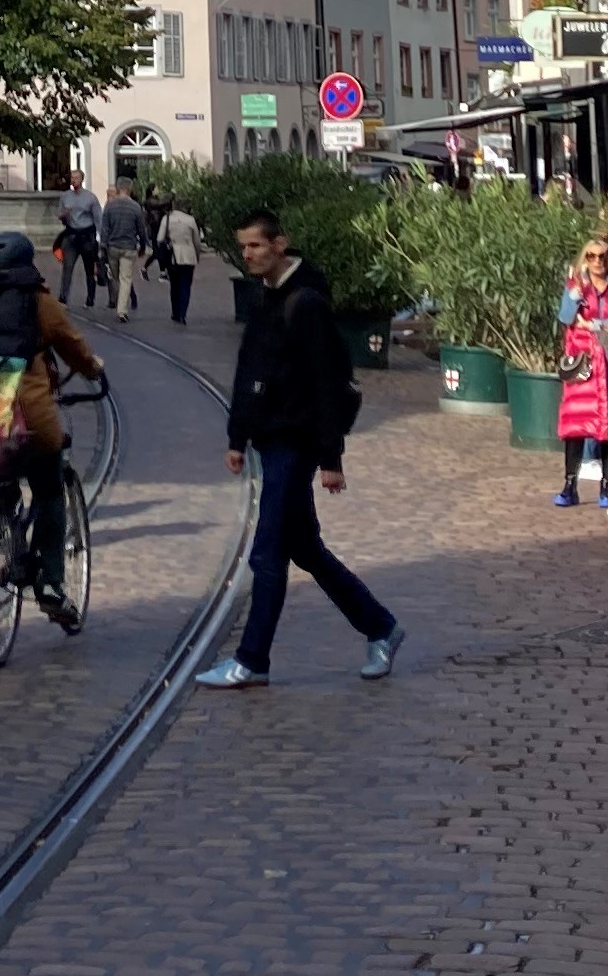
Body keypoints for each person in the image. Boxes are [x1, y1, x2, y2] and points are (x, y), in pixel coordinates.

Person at [197, 209, 402, 688]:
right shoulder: (266, 296)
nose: (247, 254)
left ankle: (252, 660)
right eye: (243, 247)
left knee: (267, 553)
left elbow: (326, 382)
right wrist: (236, 436)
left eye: (256, 246)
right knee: (305, 549)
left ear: (280, 244)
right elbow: (250, 370)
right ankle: (381, 628)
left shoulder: (305, 301)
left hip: (296, 440)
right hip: (270, 438)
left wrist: (331, 457)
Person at [0, 228, 105, 627]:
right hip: (28, 414)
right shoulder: (39, 300)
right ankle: (50, 583)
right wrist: (93, 368)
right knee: (51, 488)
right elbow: (72, 344)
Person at [551, 236, 608, 505]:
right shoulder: (576, 287)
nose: (597, 261)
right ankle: (569, 485)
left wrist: (593, 324)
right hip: (584, 365)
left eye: (602, 256)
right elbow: (565, 317)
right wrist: (578, 289)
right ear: (584, 259)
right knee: (576, 423)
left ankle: (606, 488)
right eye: (591, 256)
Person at [97, 176, 146, 313]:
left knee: (116, 277)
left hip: (113, 246)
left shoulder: (110, 206)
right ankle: (122, 310)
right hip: (129, 246)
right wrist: (143, 246)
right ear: (130, 189)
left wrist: (103, 246)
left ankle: (119, 304)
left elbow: (104, 228)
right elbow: (141, 229)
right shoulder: (135, 207)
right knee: (126, 278)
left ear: (118, 188)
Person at [53, 177, 103, 312]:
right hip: (71, 236)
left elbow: (98, 218)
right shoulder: (65, 197)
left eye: (76, 178)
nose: (73, 180)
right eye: (72, 177)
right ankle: (63, 298)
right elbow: (60, 216)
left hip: (87, 236)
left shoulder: (90, 197)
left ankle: (90, 299)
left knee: (89, 268)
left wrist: (100, 238)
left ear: (81, 180)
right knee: (67, 267)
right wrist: (64, 214)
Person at [153, 193, 202, 324]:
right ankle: (183, 313)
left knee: (174, 285)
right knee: (186, 285)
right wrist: (197, 255)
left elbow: (159, 239)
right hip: (188, 254)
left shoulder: (167, 219)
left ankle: (175, 312)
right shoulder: (190, 220)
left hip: (172, 256)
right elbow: (197, 241)